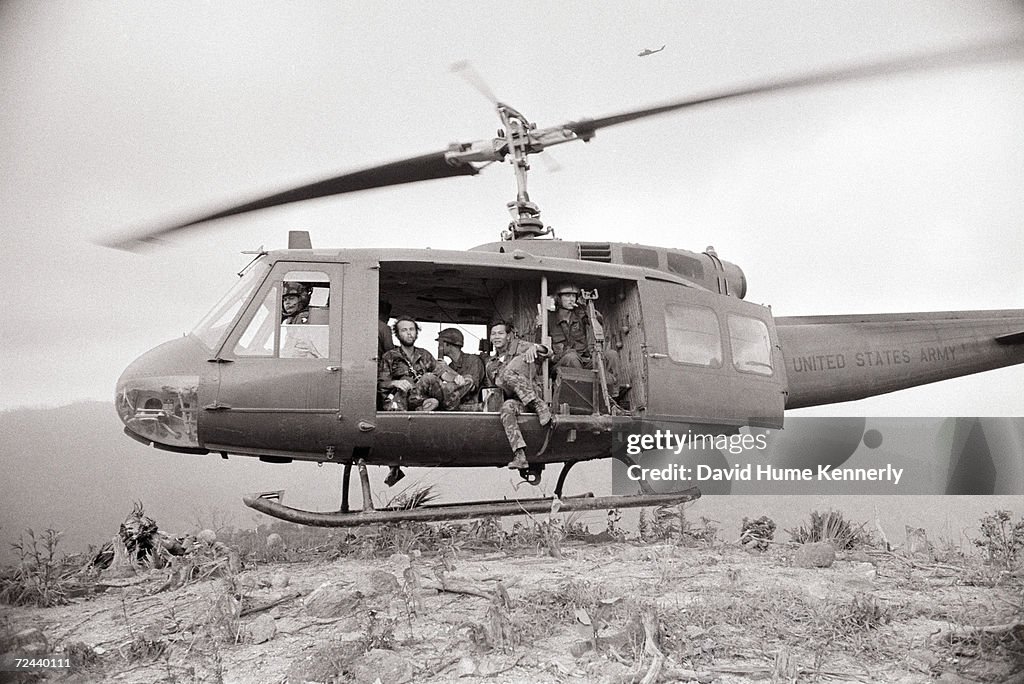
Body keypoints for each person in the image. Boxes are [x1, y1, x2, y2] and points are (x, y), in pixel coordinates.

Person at [485, 320, 552, 469]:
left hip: (533, 393)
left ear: (508, 336)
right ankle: (520, 455)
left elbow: (549, 352)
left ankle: (539, 405)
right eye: (493, 334)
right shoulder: (491, 364)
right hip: (519, 401)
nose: (496, 337)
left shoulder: (520, 346)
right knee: (507, 407)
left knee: (508, 373)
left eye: (500, 333)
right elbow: (497, 387)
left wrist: (535, 348)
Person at [548, 281, 620, 396]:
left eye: (573, 296)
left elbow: (596, 320)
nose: (571, 299)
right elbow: (542, 349)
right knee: (571, 357)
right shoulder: (548, 319)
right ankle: (583, 395)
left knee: (611, 355)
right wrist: (555, 357)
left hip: (584, 361)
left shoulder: (580, 314)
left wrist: (587, 307)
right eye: (567, 296)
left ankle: (613, 395)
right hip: (560, 364)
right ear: (558, 299)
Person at [377, 316, 443, 411]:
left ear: (416, 332)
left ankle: (424, 406)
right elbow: (381, 384)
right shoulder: (389, 357)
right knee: (406, 380)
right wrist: (395, 383)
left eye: (412, 329)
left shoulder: (424, 355)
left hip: (420, 398)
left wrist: (456, 378)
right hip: (400, 403)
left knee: (430, 378)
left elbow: (441, 374)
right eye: (404, 330)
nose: (409, 333)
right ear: (398, 334)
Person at [435, 328, 486, 410]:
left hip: (472, 407)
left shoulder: (473, 360)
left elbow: (471, 386)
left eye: (441, 344)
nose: (438, 347)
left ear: (448, 344)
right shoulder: (451, 366)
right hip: (454, 406)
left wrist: (448, 370)